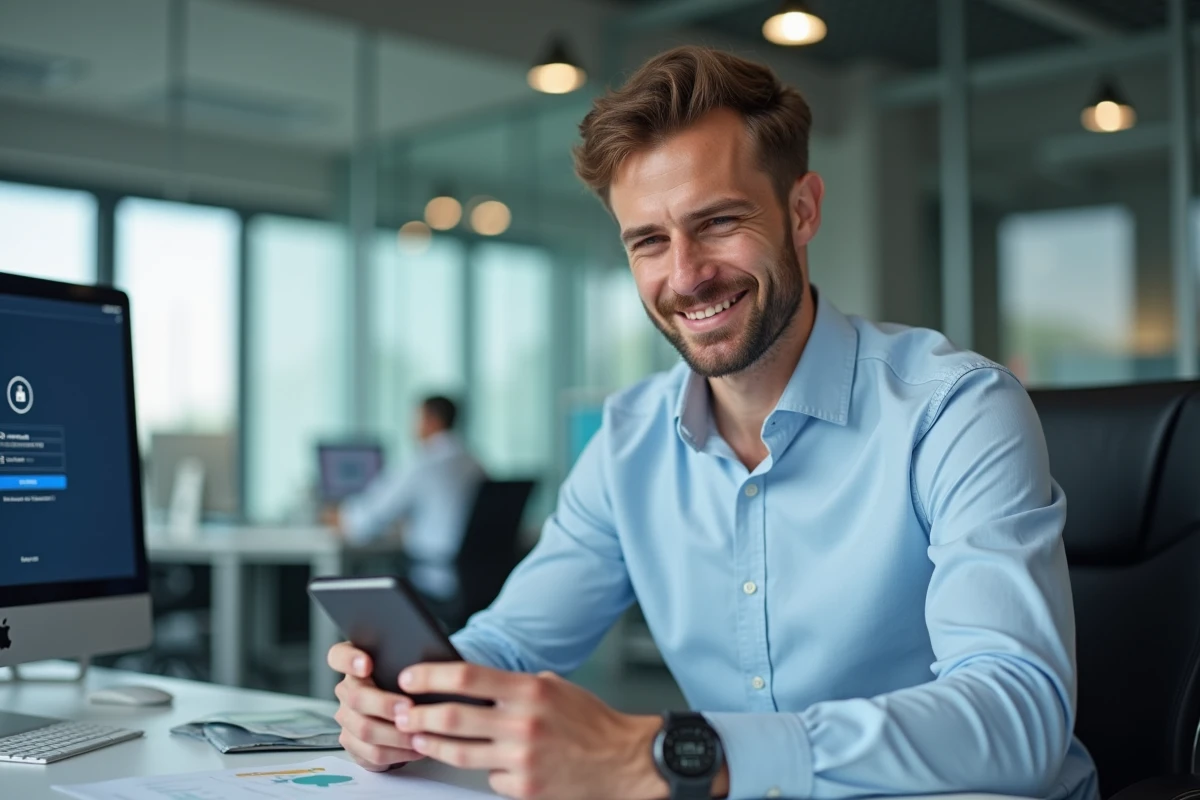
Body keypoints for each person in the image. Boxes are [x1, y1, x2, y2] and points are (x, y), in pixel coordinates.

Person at [327, 46, 1098, 800]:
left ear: (802, 211)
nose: (687, 274)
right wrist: (408, 701)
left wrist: (675, 755)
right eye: (650, 242)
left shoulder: (956, 411)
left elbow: (1018, 717)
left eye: (720, 221)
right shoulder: (628, 442)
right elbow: (509, 644)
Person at [325, 395, 486, 601]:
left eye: (416, 419)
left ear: (431, 420)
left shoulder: (423, 463)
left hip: (434, 575)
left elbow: (365, 521)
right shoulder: (475, 463)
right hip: (475, 577)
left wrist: (336, 516)